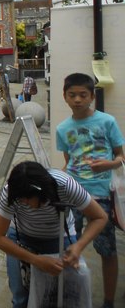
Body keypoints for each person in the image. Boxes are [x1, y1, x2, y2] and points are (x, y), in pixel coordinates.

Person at [0, 161, 107, 308]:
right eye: (20, 200)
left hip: (59, 237)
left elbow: (100, 217)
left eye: (27, 199)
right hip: (22, 237)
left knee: (62, 295)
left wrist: (78, 246)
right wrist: (35, 260)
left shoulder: (65, 184)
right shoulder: (12, 191)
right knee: (21, 297)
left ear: (40, 192)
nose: (23, 202)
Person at [56, 72, 124, 308]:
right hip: (74, 194)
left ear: (92, 96)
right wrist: (62, 175)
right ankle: (72, 295)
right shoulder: (62, 128)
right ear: (64, 96)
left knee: (107, 250)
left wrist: (109, 164)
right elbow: (69, 160)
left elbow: (121, 156)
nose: (77, 100)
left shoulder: (107, 122)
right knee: (70, 245)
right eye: (72, 95)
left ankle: (108, 301)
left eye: (83, 95)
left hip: (102, 195)